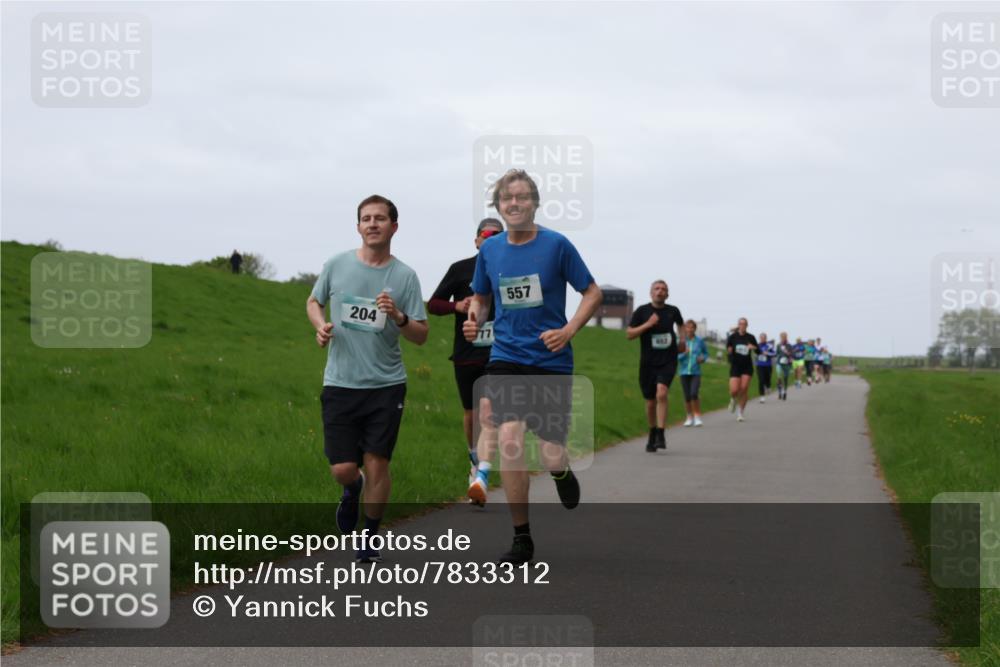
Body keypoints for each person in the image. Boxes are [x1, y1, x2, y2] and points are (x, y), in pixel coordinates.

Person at [464, 169, 601, 564]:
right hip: (506, 357)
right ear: (499, 205)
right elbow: (481, 296)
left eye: (522, 197)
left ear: (534, 203)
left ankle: (561, 472)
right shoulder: (489, 251)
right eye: (507, 199)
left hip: (551, 359)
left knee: (551, 453)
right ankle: (521, 537)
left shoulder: (557, 245)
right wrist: (475, 316)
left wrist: (569, 329)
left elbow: (591, 292)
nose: (514, 204)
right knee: (508, 437)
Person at [306, 195, 428, 563]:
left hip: (386, 385)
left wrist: (400, 317)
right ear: (358, 226)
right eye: (366, 218)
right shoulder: (337, 264)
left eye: (380, 218)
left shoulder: (404, 277)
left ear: (394, 226)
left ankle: (370, 535)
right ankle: (352, 488)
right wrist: (320, 326)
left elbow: (421, 335)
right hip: (340, 382)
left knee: (378, 462)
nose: (372, 224)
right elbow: (314, 302)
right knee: (343, 468)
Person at [428, 218, 505, 505]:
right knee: (472, 413)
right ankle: (475, 459)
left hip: (499, 354)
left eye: (498, 235)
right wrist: (456, 306)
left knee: (489, 412)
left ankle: (482, 474)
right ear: (476, 241)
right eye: (486, 235)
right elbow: (433, 304)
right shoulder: (460, 269)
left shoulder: (508, 269)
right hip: (466, 353)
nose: (491, 239)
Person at [626, 280, 686, 452]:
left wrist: (682, 340)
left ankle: (660, 433)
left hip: (668, 360)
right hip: (648, 363)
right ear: (651, 293)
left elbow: (681, 325)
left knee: (662, 392)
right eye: (657, 289)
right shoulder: (642, 311)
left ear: (667, 294)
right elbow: (629, 334)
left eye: (664, 289)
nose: (660, 291)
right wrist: (648, 324)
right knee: (650, 401)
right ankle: (652, 432)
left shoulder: (673, 311)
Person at [726, 318, 758, 422]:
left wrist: (753, 347)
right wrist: (730, 357)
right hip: (735, 366)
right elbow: (729, 350)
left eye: (744, 324)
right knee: (734, 390)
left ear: (747, 325)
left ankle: (740, 413)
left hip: (747, 366)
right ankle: (733, 399)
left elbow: (759, 351)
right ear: (738, 325)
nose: (742, 326)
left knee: (744, 388)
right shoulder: (733, 337)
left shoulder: (751, 337)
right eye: (741, 324)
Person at [677, 319, 708, 426]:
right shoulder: (681, 341)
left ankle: (697, 416)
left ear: (695, 329)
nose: (689, 329)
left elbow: (706, 353)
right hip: (684, 372)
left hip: (695, 372)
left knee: (694, 394)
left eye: (692, 327)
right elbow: (676, 357)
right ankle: (689, 417)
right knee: (687, 396)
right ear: (685, 328)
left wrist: (703, 359)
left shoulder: (700, 341)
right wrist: (683, 354)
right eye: (687, 327)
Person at [755, 332, 775, 403]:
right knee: (761, 380)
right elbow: (754, 353)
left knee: (768, 379)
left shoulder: (769, 345)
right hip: (759, 365)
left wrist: (768, 353)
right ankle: (762, 397)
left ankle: (768, 386)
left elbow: (774, 353)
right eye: (761, 338)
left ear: (766, 338)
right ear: (760, 338)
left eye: (764, 338)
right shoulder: (757, 345)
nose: (762, 339)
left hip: (768, 365)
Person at [774, 332, 794, 401]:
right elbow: (776, 353)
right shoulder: (778, 345)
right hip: (779, 363)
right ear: (780, 338)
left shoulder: (789, 346)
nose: (783, 338)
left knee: (785, 378)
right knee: (779, 377)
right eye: (782, 337)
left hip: (786, 364)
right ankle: (780, 391)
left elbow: (792, 354)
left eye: (784, 337)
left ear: (786, 337)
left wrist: (788, 354)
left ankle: (785, 391)